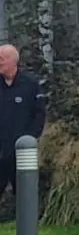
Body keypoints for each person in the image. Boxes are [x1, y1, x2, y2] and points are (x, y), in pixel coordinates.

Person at [0, 44, 46, 209]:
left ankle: (28, 230)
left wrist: (30, 139)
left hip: (20, 152)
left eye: (1, 59)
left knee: (24, 195)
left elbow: (39, 114)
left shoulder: (30, 84)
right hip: (0, 149)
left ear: (13, 61)